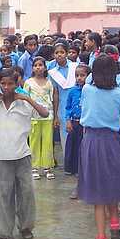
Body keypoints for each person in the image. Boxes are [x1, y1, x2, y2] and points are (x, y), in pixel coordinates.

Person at [0, 67, 49, 239]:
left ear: (17, 83)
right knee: (3, 195)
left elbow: (44, 113)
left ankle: (25, 227)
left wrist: (26, 98)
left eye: (10, 83)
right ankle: (4, 231)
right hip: (1, 156)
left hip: (22, 155)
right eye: (3, 83)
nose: (6, 87)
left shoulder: (24, 102)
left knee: (26, 193)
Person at [78, 53, 120, 239]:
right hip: (111, 140)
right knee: (113, 180)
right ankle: (115, 223)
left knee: (97, 192)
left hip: (91, 141)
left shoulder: (86, 89)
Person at [24, 57, 55, 180]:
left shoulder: (49, 82)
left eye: (41, 65)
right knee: (34, 142)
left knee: (48, 141)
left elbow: (52, 99)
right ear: (32, 68)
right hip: (33, 117)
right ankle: (34, 167)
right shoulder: (29, 82)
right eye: (36, 65)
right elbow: (26, 99)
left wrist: (54, 115)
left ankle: (48, 167)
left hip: (48, 116)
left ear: (45, 67)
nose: (38, 67)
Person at [49, 43, 78, 171]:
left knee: (78, 136)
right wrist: (55, 115)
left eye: (62, 52)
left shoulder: (75, 67)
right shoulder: (52, 72)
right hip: (62, 106)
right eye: (56, 53)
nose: (59, 55)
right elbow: (55, 94)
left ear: (66, 53)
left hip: (77, 106)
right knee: (65, 136)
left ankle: (79, 164)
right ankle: (69, 165)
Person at [65, 64, 90, 196]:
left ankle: (86, 186)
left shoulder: (90, 91)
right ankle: (78, 186)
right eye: (77, 75)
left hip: (86, 126)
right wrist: (68, 120)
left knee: (85, 155)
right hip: (75, 124)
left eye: (82, 75)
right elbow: (68, 107)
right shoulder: (72, 91)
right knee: (75, 154)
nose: (79, 78)